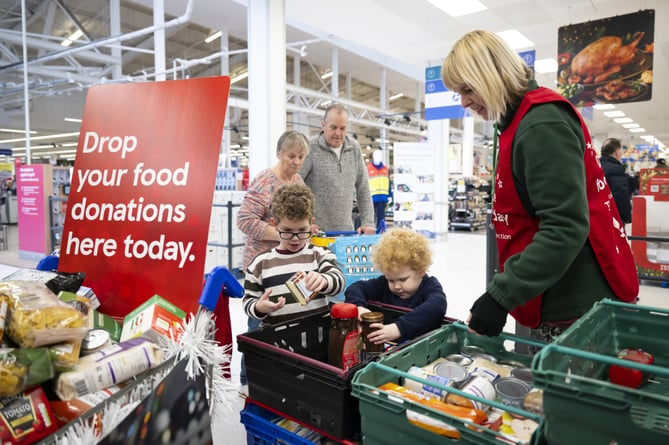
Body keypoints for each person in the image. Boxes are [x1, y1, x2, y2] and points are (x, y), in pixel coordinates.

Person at [440, 30, 639, 340]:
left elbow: (565, 226)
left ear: (492, 75)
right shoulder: (516, 122)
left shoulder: (541, 124)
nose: (464, 102)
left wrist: (501, 294)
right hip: (556, 294)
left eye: (467, 89)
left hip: (574, 306)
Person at [236, 130, 309, 384]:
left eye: (300, 157)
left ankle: (276, 374)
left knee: (284, 318)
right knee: (258, 323)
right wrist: (281, 235)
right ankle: (248, 378)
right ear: (279, 154)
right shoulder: (264, 181)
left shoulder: (298, 183)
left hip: (287, 264)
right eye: (291, 156)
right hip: (262, 266)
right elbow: (244, 220)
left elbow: (302, 217)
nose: (296, 162)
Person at [242, 183, 345, 325]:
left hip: (317, 337)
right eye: (287, 231)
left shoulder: (320, 255)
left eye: (302, 230)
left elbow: (339, 281)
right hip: (276, 340)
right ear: (274, 224)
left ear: (311, 224)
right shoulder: (260, 264)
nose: (295, 238)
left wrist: (325, 280)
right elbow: (248, 301)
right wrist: (258, 307)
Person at [345, 227, 447, 344]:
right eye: (391, 280)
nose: (397, 286)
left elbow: (437, 306)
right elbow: (355, 288)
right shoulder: (383, 284)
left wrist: (399, 328)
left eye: (403, 279)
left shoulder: (429, 286)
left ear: (420, 271)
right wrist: (359, 307)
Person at [300, 104, 376, 234]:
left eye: (342, 128)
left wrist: (368, 222)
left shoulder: (354, 148)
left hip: (346, 233)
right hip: (316, 234)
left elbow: (363, 188)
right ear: (323, 125)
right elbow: (294, 188)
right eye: (333, 127)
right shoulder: (310, 147)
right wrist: (302, 224)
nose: (338, 133)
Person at [599, 138, 633, 223]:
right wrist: (627, 216)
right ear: (616, 152)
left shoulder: (595, 166)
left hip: (595, 214)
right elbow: (620, 195)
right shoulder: (615, 169)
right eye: (621, 151)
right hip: (611, 217)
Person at [367, 149, 390, 231]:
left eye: (380, 156)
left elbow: (388, 182)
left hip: (383, 197)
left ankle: (380, 234)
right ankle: (372, 234)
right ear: (373, 157)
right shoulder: (368, 169)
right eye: (377, 155)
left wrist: (389, 195)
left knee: (381, 219)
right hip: (372, 197)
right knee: (371, 218)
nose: (378, 157)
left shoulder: (385, 169)